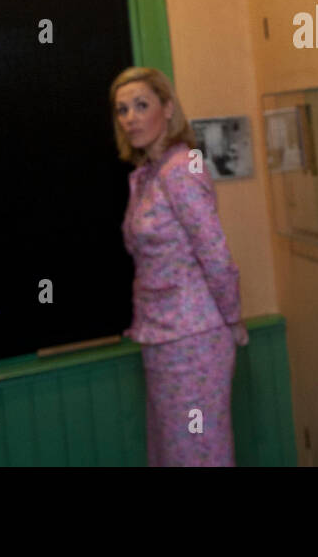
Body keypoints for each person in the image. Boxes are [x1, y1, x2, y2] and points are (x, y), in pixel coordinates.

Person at [110, 66, 247, 466]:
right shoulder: (149, 175)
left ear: (167, 109)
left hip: (195, 337)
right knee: (173, 449)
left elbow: (215, 254)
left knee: (197, 448)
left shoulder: (181, 170)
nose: (131, 117)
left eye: (141, 105)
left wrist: (233, 318)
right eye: (122, 109)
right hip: (161, 335)